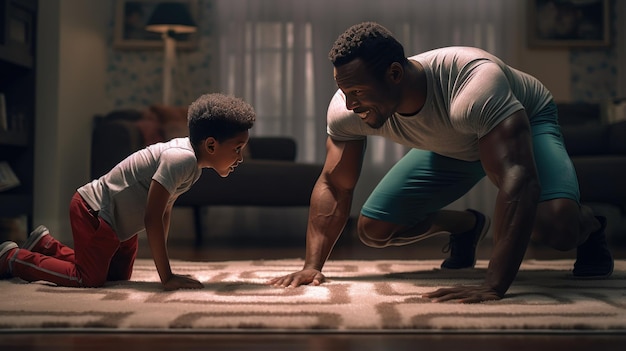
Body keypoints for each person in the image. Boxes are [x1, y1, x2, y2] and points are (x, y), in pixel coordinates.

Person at [269, 22, 613, 303]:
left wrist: (493, 285)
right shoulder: (348, 107)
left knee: (556, 227)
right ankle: (466, 226)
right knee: (374, 229)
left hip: (525, 125)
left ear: (394, 74)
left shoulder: (474, 86)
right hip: (453, 144)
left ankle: (592, 227)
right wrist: (312, 265)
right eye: (344, 92)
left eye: (358, 92)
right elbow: (334, 184)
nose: (350, 103)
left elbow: (519, 179)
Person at [0, 93, 256, 291]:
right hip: (96, 212)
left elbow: (164, 210)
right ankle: (14, 258)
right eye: (237, 148)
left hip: (122, 228)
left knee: (117, 278)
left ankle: (46, 245)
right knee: (88, 280)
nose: (240, 157)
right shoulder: (181, 159)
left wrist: (162, 263)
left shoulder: (193, 168)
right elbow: (151, 218)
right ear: (211, 144)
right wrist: (166, 277)